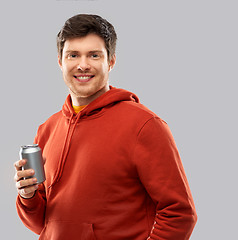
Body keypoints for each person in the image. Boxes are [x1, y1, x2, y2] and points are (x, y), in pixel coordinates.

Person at [14, 14, 197, 240]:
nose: (83, 65)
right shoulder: (47, 129)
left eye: (94, 55)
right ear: (60, 62)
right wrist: (28, 196)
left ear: (110, 61)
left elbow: (180, 214)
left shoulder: (144, 126)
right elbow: (45, 224)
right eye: (73, 55)